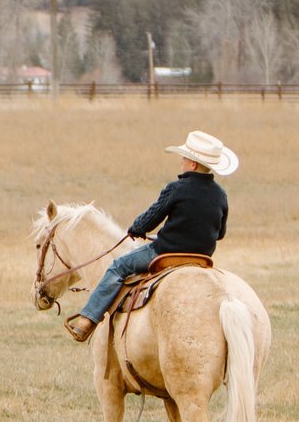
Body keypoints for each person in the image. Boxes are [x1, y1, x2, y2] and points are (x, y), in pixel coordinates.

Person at [64, 128, 237, 342]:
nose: (181, 162)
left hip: (165, 252)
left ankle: (87, 319)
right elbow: (220, 234)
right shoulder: (221, 194)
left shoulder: (177, 188)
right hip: (202, 258)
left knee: (119, 266)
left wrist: (137, 227)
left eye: (183, 159)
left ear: (192, 164)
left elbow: (151, 218)